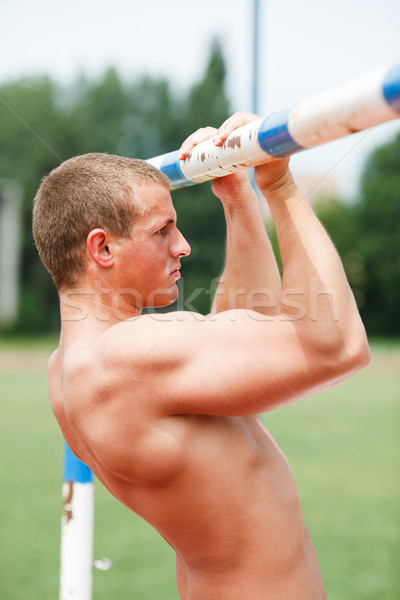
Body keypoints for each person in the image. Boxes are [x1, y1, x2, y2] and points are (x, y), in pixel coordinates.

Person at [33, 112, 370, 600]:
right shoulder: (127, 358)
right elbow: (337, 346)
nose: (182, 245)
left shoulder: (70, 368)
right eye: (162, 230)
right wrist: (280, 186)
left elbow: (247, 339)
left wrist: (239, 202)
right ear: (102, 247)